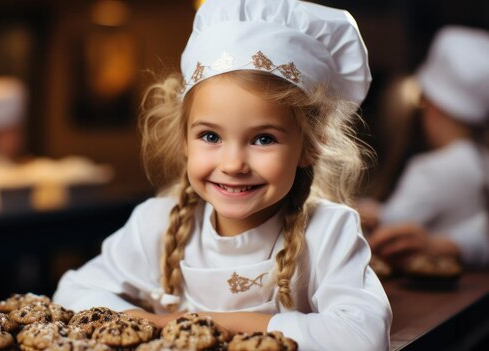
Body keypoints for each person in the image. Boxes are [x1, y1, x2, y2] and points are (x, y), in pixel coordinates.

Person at [53, 0, 391, 349]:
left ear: (310, 145)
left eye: (263, 139)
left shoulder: (329, 233)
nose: (233, 165)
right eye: (210, 136)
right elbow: (73, 291)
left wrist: (203, 324)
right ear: (184, 140)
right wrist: (155, 322)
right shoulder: (157, 223)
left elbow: (363, 337)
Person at [366, 26, 489, 268]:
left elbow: (389, 236)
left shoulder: (431, 170)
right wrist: (379, 211)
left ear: (432, 107)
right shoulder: (481, 160)